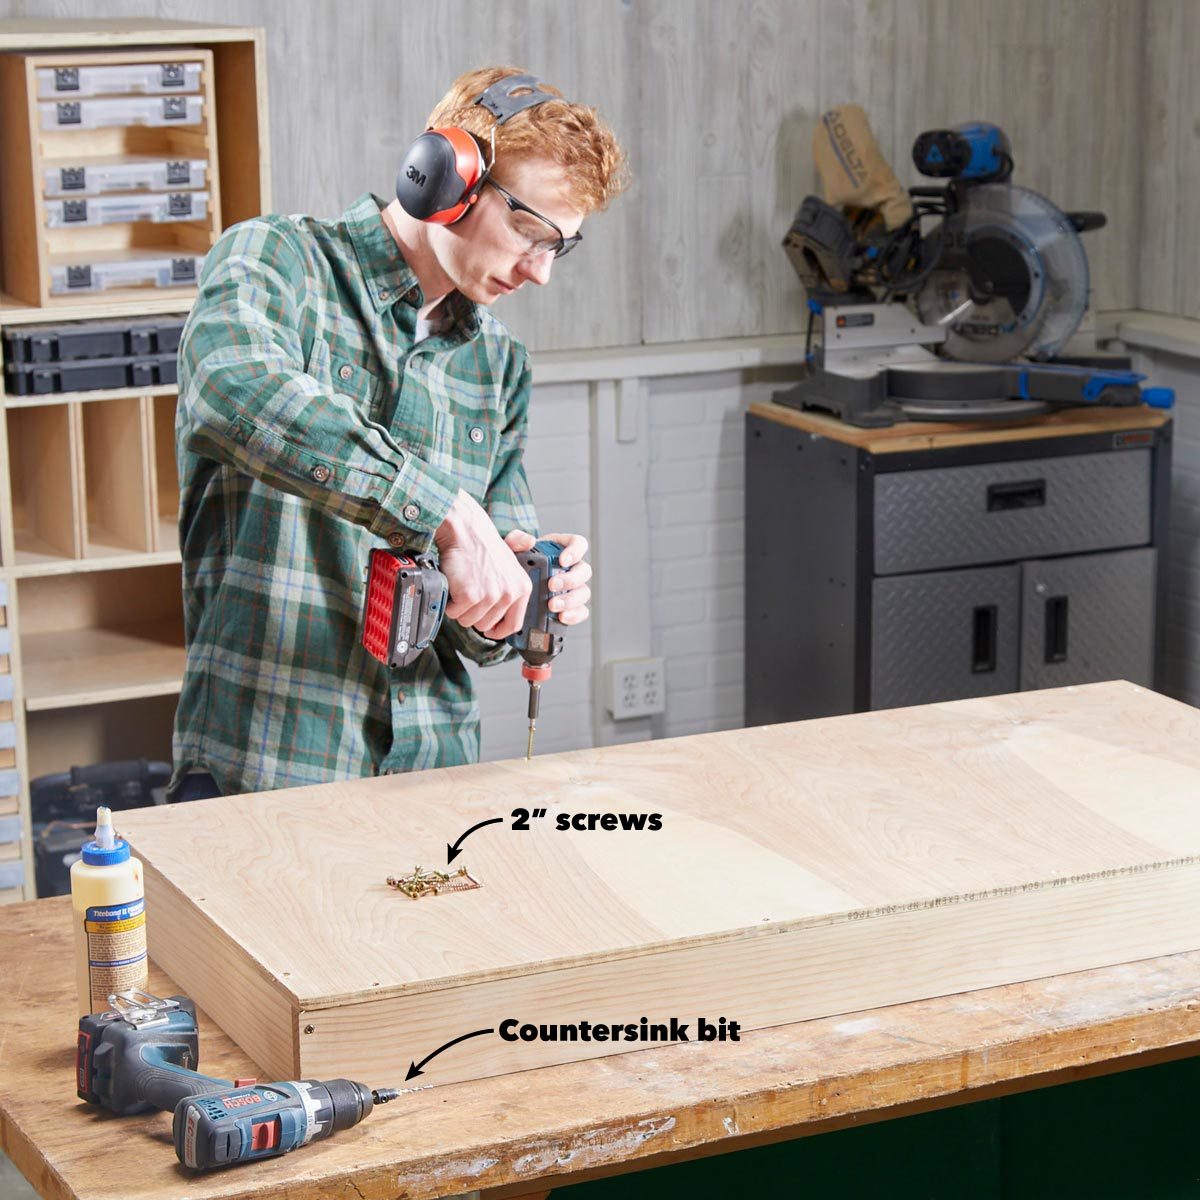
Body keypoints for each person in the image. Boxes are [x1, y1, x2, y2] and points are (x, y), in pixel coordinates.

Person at [167, 67, 629, 802]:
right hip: (272, 769)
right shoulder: (277, 261)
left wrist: (521, 590)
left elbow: (479, 629)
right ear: (445, 179)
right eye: (529, 232)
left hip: (435, 781)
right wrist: (441, 506)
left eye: (559, 247)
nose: (540, 272)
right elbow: (233, 390)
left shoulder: (498, 366)